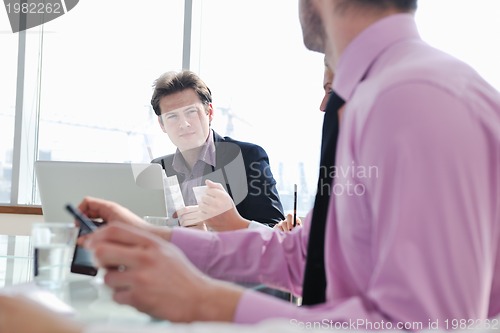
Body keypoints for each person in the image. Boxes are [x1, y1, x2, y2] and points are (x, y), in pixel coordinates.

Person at [2, 0, 500, 332]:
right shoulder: (378, 96)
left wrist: (204, 301)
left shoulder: (414, 100)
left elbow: (426, 324)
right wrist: (155, 236)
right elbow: (306, 259)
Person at [149, 70, 285, 230]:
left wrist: (212, 235)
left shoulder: (248, 158)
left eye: (191, 112)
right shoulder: (159, 168)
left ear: (210, 112)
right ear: (162, 124)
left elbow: (274, 231)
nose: (183, 124)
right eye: (172, 116)